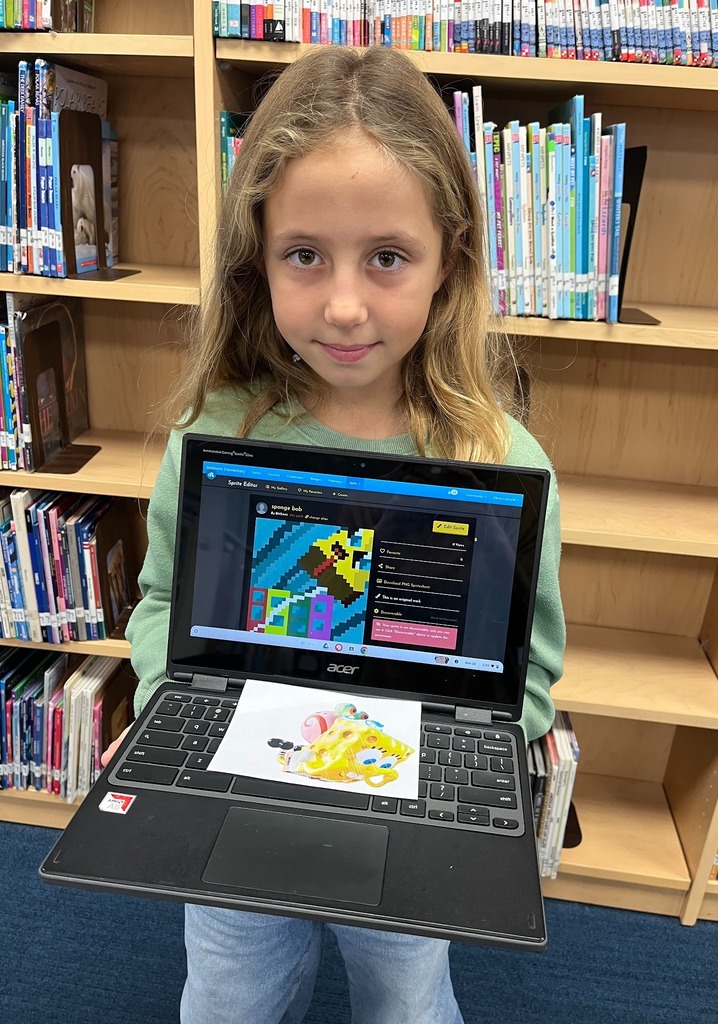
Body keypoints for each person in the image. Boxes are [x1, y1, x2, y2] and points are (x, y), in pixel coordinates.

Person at [103, 44, 566, 1024]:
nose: (345, 305)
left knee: (406, 996)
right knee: (229, 993)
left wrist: (428, 755)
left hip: (406, 796)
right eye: (304, 254)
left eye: (387, 257)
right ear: (258, 258)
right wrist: (179, 709)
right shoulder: (217, 433)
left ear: (450, 259)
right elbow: (162, 603)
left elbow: (523, 677)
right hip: (240, 778)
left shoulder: (500, 458)